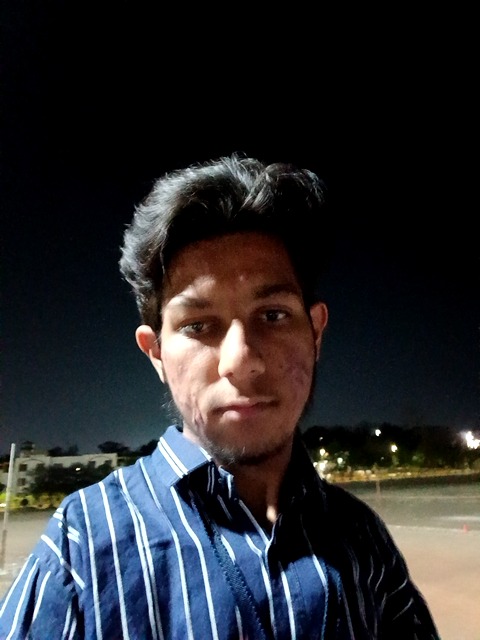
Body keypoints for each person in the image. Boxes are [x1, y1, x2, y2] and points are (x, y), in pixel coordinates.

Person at [0, 153, 439, 639]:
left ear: (315, 333)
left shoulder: (361, 538)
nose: (241, 360)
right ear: (155, 353)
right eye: (197, 325)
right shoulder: (82, 546)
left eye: (272, 316)